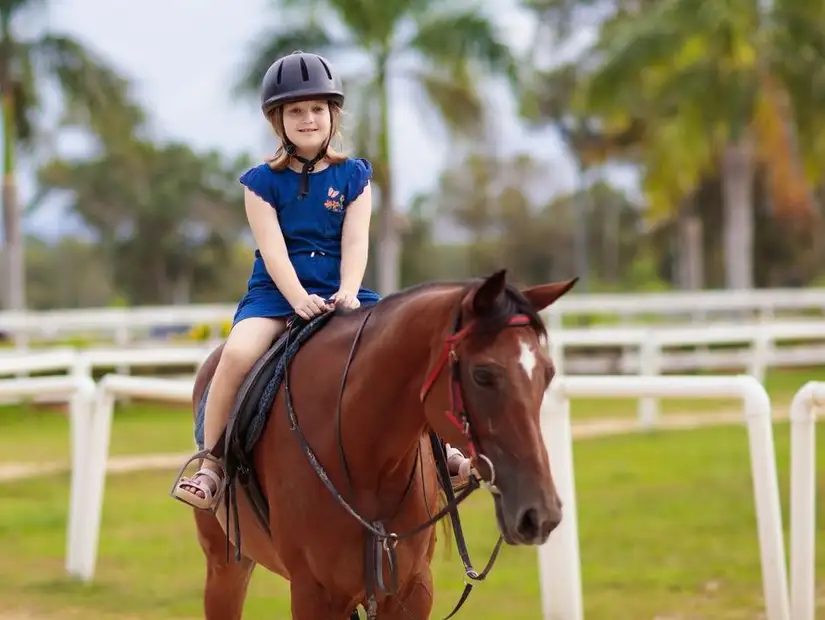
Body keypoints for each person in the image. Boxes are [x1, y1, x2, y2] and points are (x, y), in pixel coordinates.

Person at [170, 50, 472, 511]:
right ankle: (211, 464)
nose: (308, 119)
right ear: (279, 121)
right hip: (276, 294)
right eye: (296, 111)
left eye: (317, 109)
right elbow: (273, 252)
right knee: (235, 355)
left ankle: (438, 448)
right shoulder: (259, 184)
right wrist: (298, 299)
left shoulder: (355, 176)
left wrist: (348, 291)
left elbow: (356, 243)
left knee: (405, 351)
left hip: (343, 291)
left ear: (333, 115)